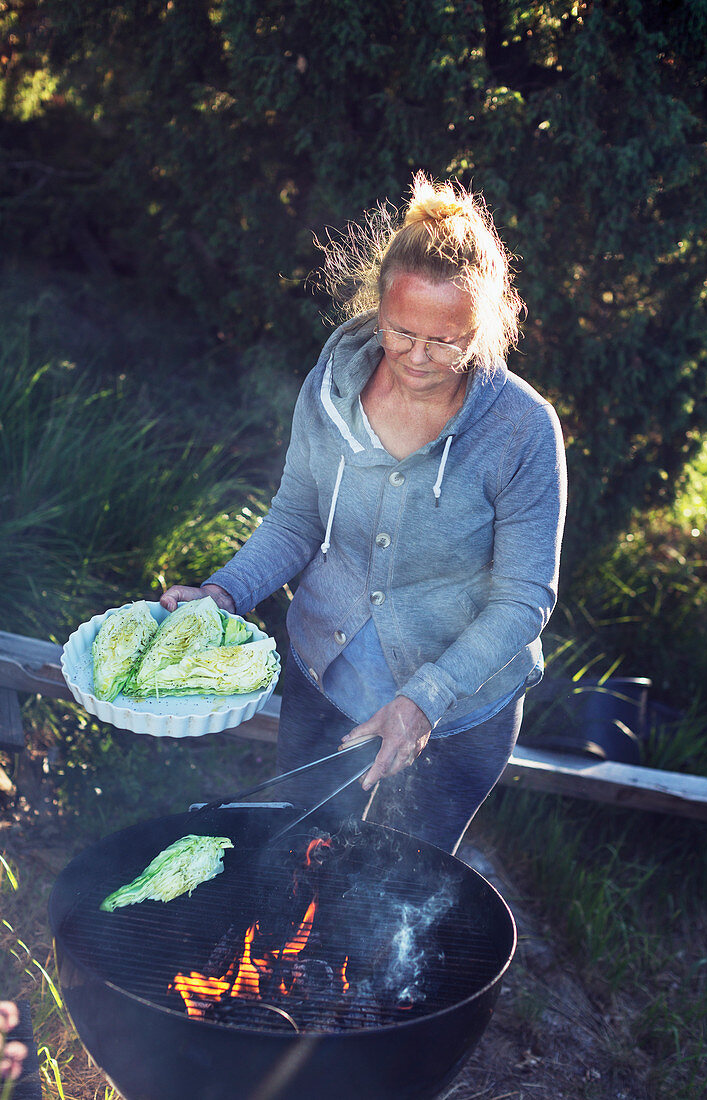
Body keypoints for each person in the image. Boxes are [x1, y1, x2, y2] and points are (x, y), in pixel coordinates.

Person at [160, 172, 566, 855]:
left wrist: (424, 698)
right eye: (401, 331)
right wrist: (222, 593)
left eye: (447, 341)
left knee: (399, 893)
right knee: (298, 859)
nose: (418, 357)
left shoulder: (524, 431)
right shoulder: (330, 388)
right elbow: (295, 521)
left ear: (488, 328)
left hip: (461, 710)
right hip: (328, 675)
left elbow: (524, 598)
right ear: (377, 306)